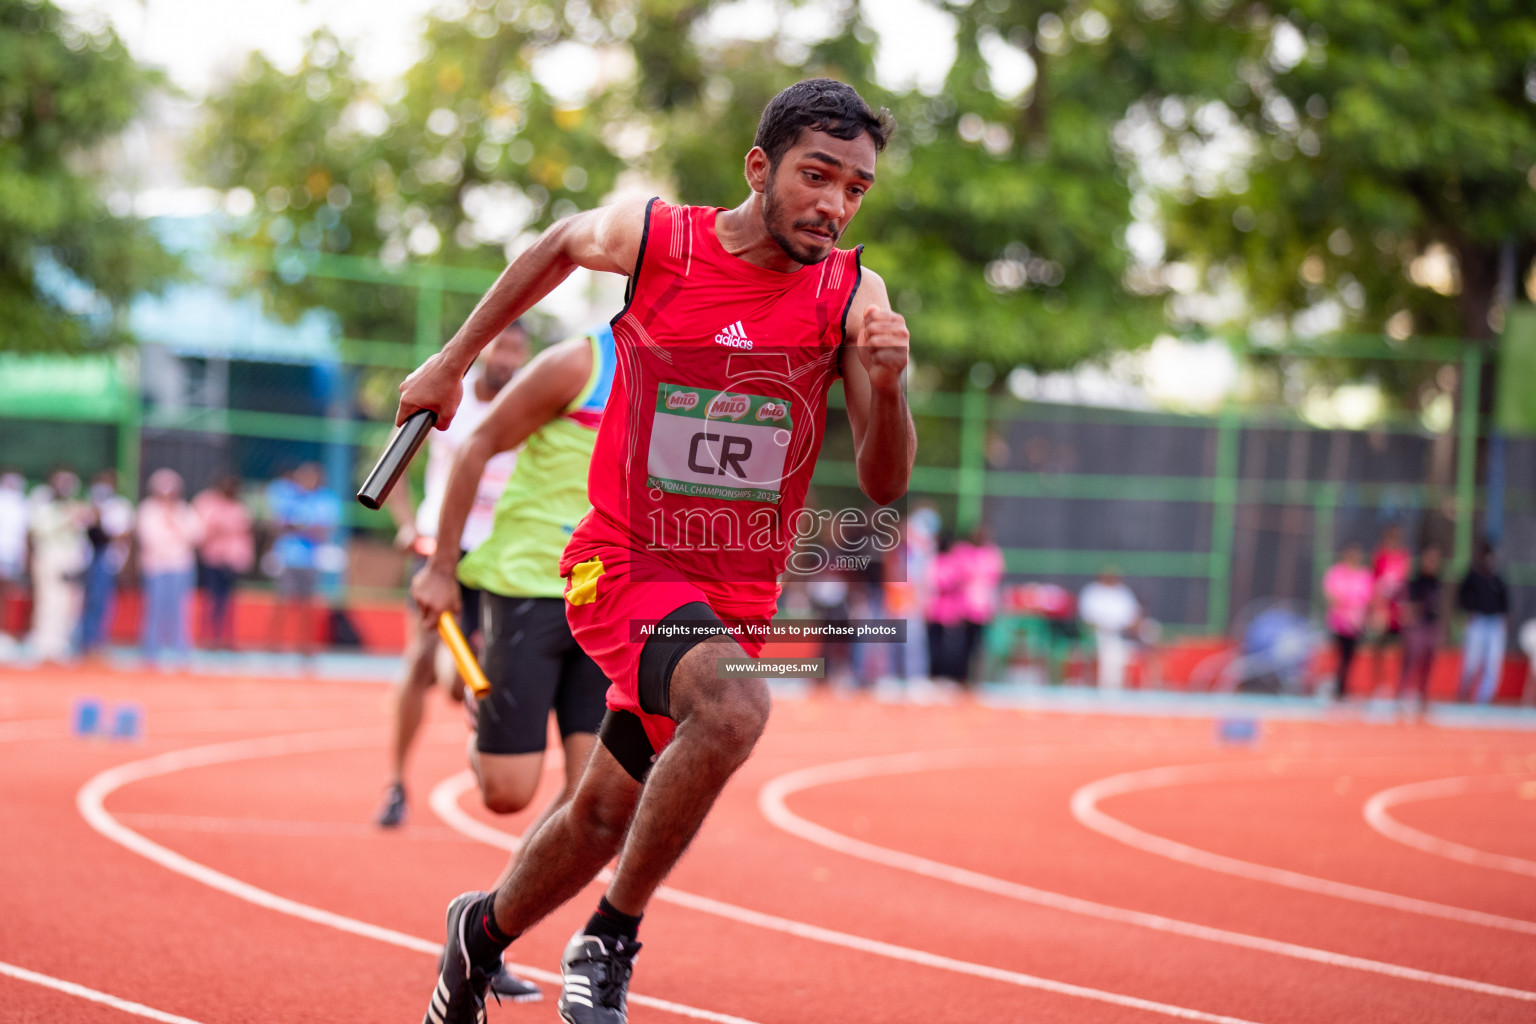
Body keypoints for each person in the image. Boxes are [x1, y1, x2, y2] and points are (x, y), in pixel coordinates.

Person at [397, 79, 910, 1024]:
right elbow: (556, 244)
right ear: (760, 169)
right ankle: (611, 938)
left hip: (734, 594)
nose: (835, 205)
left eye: (856, 188)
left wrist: (890, 384)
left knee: (602, 813)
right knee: (735, 706)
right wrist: (453, 363)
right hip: (623, 560)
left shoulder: (853, 294)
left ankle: (480, 934)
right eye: (816, 175)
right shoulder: (660, 240)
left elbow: (883, 482)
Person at [409, 325, 617, 1001]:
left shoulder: (693, 383)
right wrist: (442, 569)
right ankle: (471, 690)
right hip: (526, 581)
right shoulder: (580, 364)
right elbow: (474, 446)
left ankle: (486, 925)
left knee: (597, 804)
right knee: (506, 793)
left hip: (605, 596)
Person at [376, 324, 529, 829]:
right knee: (419, 661)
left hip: (493, 556)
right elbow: (394, 457)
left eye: (517, 350)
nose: (508, 356)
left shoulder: (531, 405)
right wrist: (404, 525)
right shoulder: (451, 394)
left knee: (459, 674)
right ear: (484, 349)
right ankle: (396, 784)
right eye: (502, 345)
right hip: (439, 547)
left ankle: (463, 681)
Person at [265, 463, 339, 656]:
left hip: (310, 560)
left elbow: (322, 530)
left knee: (308, 605)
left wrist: (297, 526)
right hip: (288, 558)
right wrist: (304, 527)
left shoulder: (325, 499)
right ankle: (274, 643)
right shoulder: (287, 494)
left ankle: (304, 645)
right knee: (283, 601)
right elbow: (278, 523)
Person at [137, 468, 204, 668]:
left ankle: (180, 649)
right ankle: (151, 650)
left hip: (181, 566)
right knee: (155, 608)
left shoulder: (184, 510)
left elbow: (197, 535)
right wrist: (174, 538)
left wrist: (174, 523)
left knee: (180, 609)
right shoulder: (147, 509)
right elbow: (150, 538)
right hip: (156, 566)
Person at [27, 469, 89, 663]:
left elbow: (82, 538)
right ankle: (43, 644)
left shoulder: (77, 507)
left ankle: (61, 644)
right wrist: (66, 519)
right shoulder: (44, 507)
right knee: (48, 600)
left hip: (70, 559)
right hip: (49, 557)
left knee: (69, 603)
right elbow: (40, 531)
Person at [75, 470, 135, 658]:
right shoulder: (86, 504)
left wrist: (102, 522)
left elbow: (121, 534)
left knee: (103, 602)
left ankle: (98, 642)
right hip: (87, 559)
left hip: (108, 559)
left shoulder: (120, 506)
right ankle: (83, 642)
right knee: (85, 602)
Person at [193, 475, 255, 649]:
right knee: (212, 598)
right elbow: (202, 530)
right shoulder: (208, 502)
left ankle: (226, 638)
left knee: (228, 602)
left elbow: (244, 534)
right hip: (213, 558)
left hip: (233, 560)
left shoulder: (240, 507)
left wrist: (245, 558)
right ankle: (207, 637)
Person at [1456, 540, 1509, 704]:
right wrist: (1468, 613)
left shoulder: (1497, 579)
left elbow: (1505, 604)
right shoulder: (1472, 576)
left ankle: (1484, 699)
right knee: (1471, 662)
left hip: (1494, 623)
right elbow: (1461, 597)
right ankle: (1464, 693)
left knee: (1492, 664)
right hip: (1477, 622)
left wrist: (1504, 622)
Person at [1321, 542, 1373, 699]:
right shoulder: (1336, 572)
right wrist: (1345, 608)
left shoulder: (1364, 575)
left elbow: (1368, 600)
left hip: (1356, 625)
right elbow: (1330, 596)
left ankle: (1342, 689)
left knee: (1349, 659)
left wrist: (1362, 617)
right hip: (1338, 624)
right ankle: (1333, 687)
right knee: (1337, 656)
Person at [956, 525, 1004, 686]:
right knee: (962, 645)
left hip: (982, 609)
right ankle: (961, 677)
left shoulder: (991, 554)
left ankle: (977, 679)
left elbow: (993, 581)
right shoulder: (964, 552)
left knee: (980, 646)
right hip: (964, 608)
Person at [1399, 543, 1443, 714]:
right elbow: (1408, 607)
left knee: (1429, 663)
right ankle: (1403, 694)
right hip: (1417, 626)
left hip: (1431, 626)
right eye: (1429, 559)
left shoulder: (1436, 583)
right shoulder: (1415, 582)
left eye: (1434, 560)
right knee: (1411, 661)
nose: (1431, 563)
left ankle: (1422, 695)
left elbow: (1438, 607)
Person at [1079, 569, 1140, 691]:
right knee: (1109, 647)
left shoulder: (1123, 592)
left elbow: (1133, 618)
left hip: (1120, 634)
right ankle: (1104, 688)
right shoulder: (1092, 591)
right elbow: (1087, 619)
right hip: (1096, 634)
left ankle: (1113, 689)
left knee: (1116, 649)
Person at [1368, 524, 1411, 695]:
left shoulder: (1403, 557)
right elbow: (1375, 581)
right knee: (1379, 646)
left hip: (1397, 608)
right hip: (1382, 607)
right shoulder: (1379, 556)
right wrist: (1376, 607)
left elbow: (1404, 582)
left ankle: (1400, 685)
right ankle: (1379, 684)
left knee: (1402, 647)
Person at [0, 471, 29, 648]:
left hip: (13, 554)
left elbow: (25, 533)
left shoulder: (21, 503)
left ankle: (5, 632)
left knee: (8, 594)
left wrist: (24, 557)